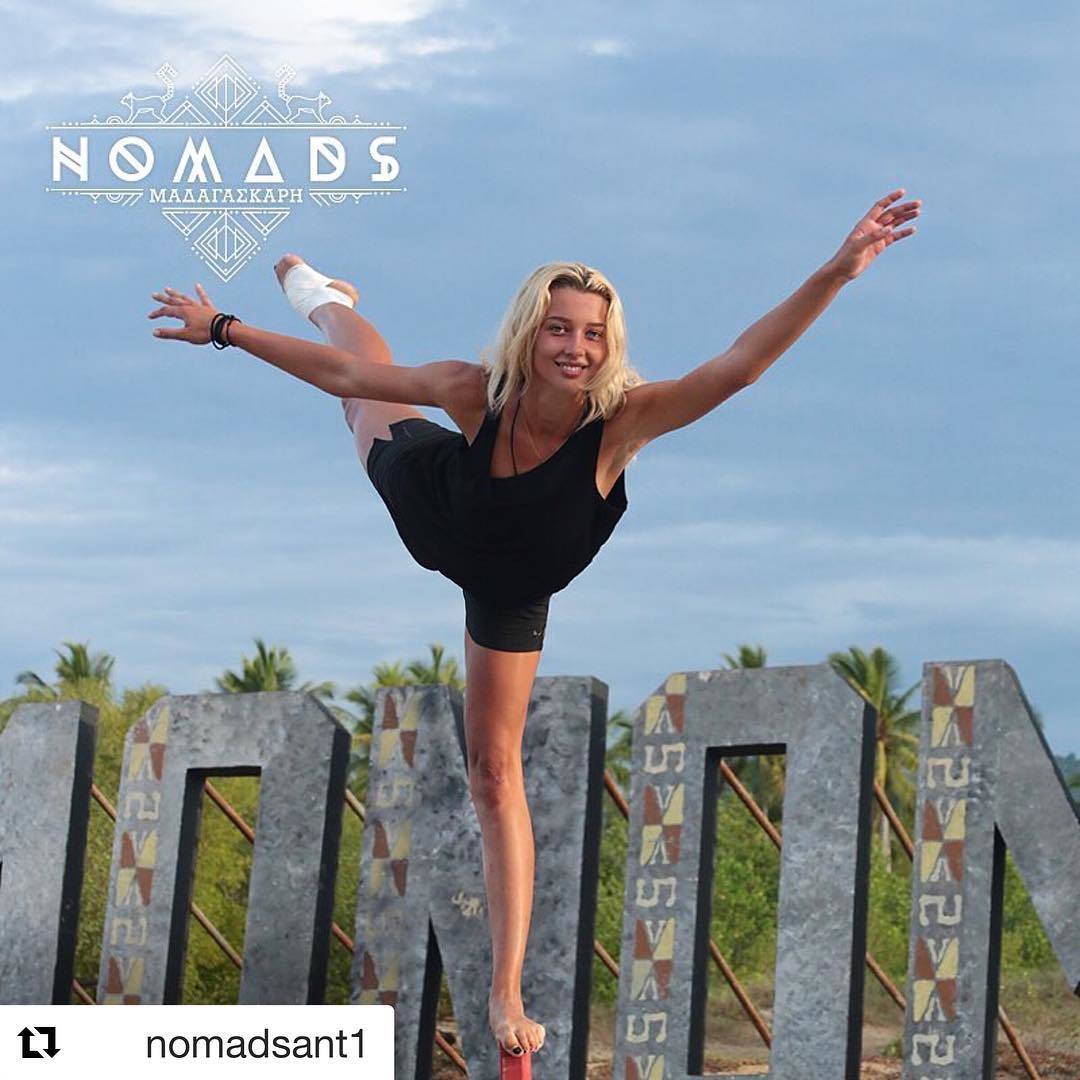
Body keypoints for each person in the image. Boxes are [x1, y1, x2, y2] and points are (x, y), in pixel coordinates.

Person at [147, 187, 920, 1059]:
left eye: (592, 333)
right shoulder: (476, 394)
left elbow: (738, 367)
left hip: (508, 593)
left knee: (493, 772)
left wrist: (837, 271)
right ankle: (325, 298)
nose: (575, 348)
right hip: (433, 504)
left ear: (610, 344)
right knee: (362, 391)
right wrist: (224, 328)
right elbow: (347, 378)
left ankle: (505, 989)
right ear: (529, 331)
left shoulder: (621, 425)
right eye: (559, 328)